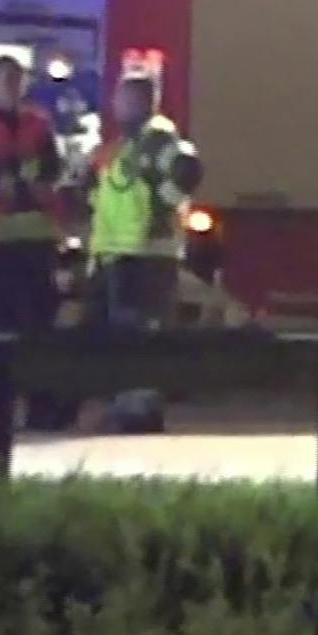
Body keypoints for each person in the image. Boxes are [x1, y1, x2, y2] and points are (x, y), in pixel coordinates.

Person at [0, 56, 72, 430]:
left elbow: (52, 168)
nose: (12, 85)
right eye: (6, 79)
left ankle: (41, 405)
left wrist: (21, 180)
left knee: (38, 323)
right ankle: (0, 408)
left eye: (17, 79)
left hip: (37, 234)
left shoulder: (39, 124)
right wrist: (6, 182)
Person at [84, 72, 201, 432]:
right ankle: (128, 407)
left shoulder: (157, 139)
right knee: (124, 335)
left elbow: (187, 171)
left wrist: (160, 212)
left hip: (144, 254)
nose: (115, 105)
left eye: (122, 98)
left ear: (140, 101)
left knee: (140, 336)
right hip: (122, 252)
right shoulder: (131, 143)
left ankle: (139, 412)